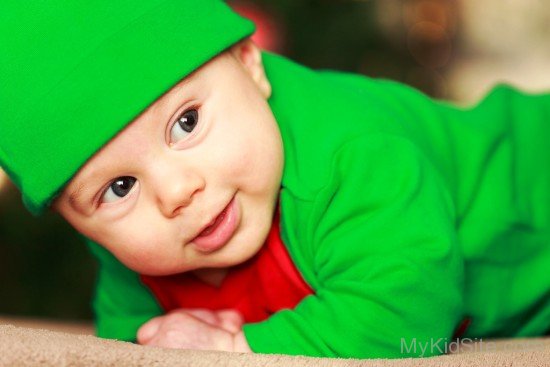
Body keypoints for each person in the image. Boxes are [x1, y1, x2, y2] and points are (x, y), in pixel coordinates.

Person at [1, 0, 549, 359]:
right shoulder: (135, 248)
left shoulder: (351, 156)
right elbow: (134, 340)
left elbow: (410, 311)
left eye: (186, 123)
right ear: (75, 220)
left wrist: (245, 346)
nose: (176, 192)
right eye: (120, 187)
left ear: (250, 64)